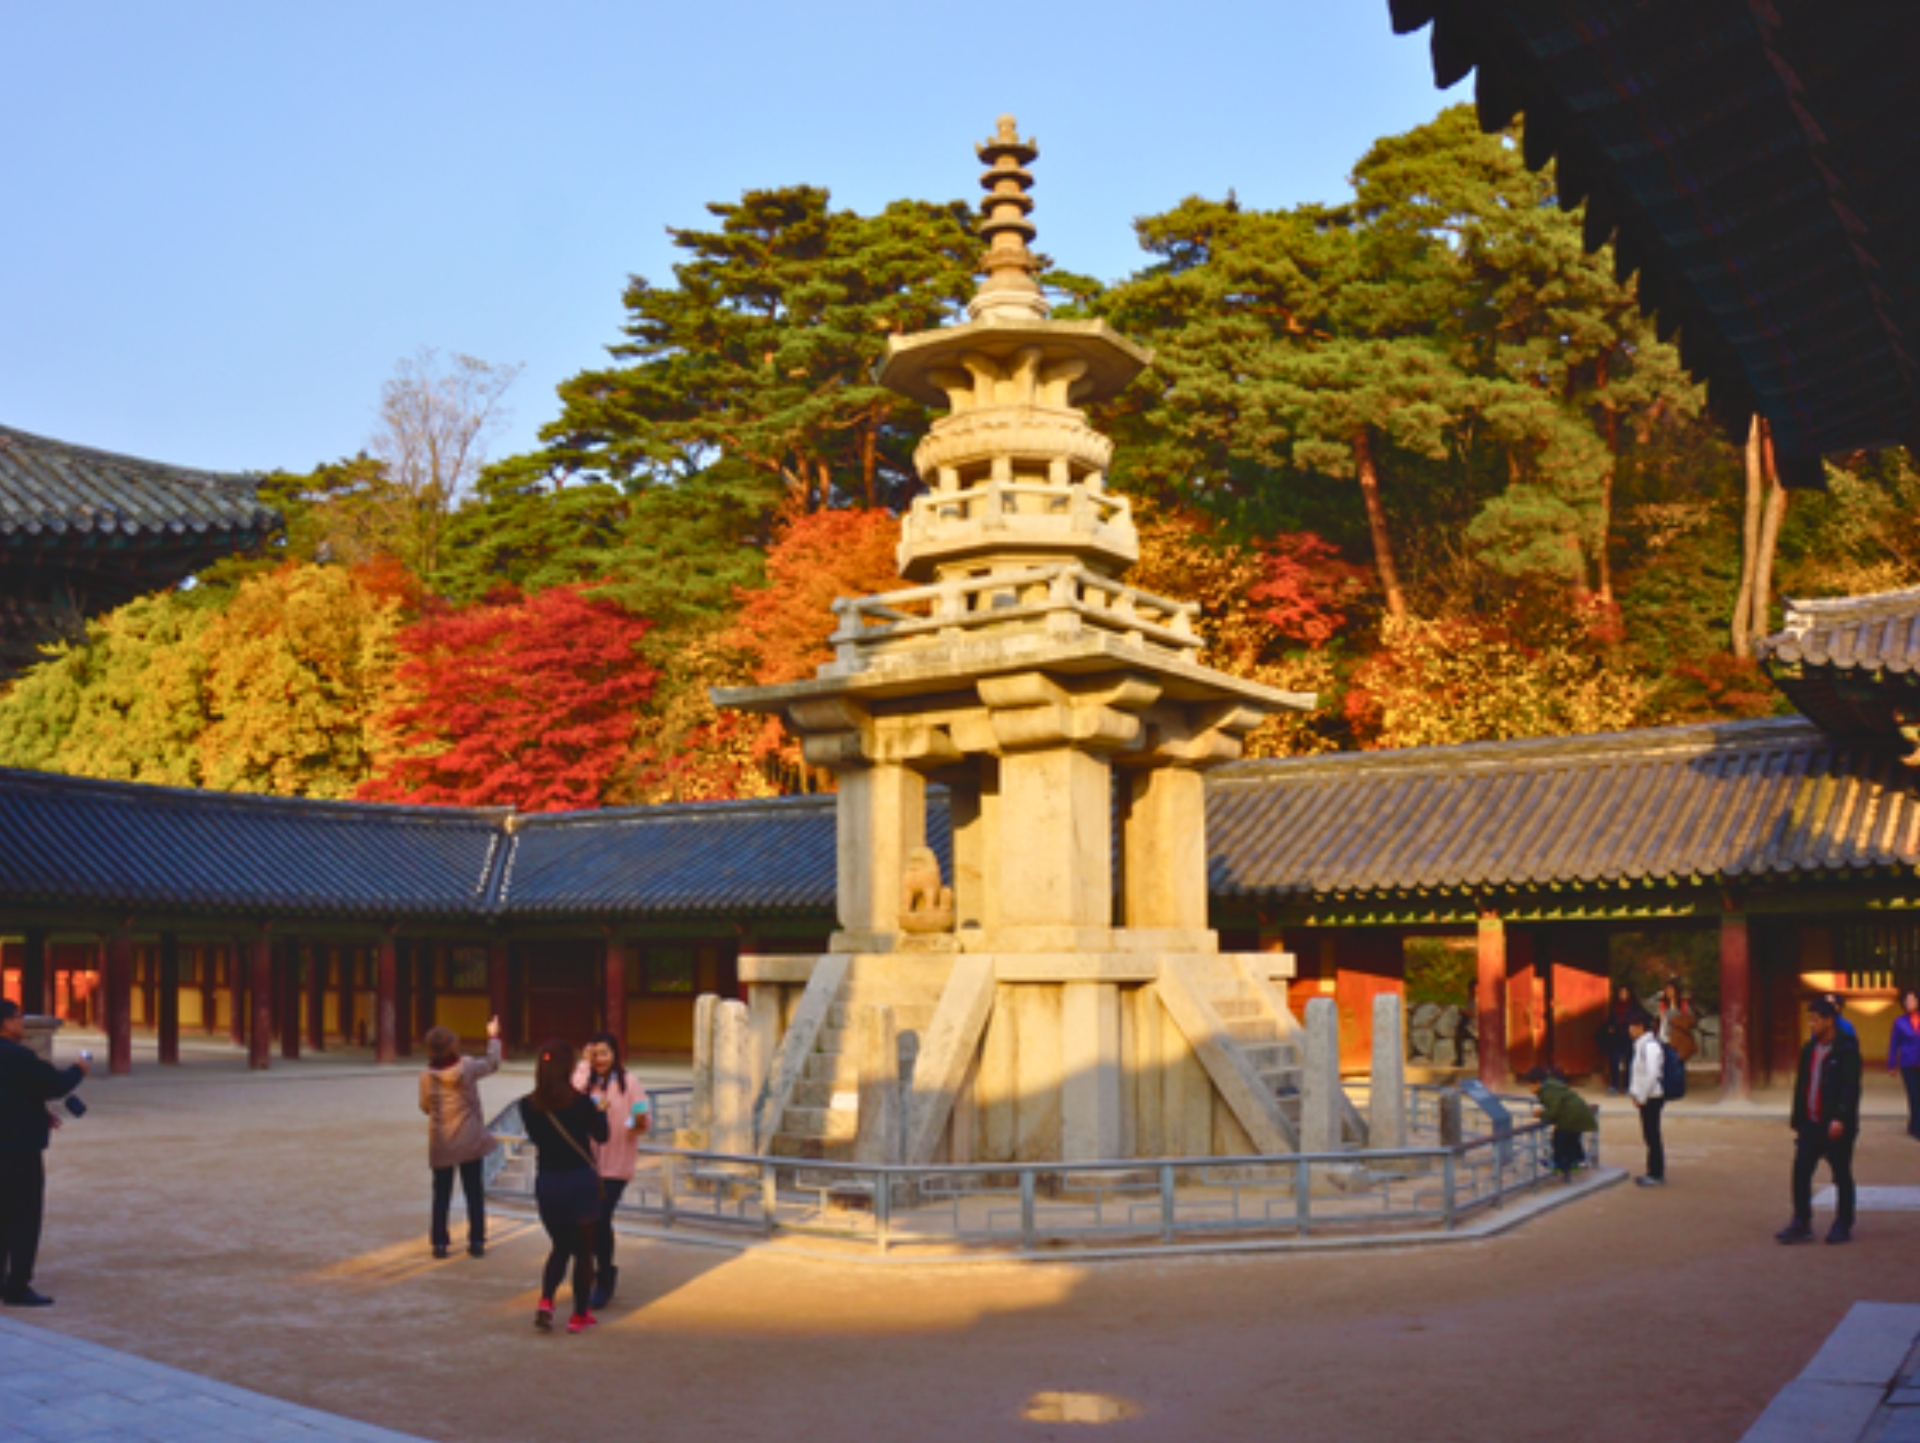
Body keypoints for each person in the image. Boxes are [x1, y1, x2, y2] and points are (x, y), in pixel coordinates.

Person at [0, 999, 88, 1307]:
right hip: (18, 1148)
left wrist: (36, 1111)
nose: (21, 1025)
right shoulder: (18, 1056)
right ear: (4, 1023)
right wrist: (80, 1069)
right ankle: (17, 1284)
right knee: (23, 1214)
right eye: (17, 1019)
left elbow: (16, 1093)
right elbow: (52, 1084)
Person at [519, 1038, 608, 1333]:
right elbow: (602, 1135)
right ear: (568, 1068)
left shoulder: (527, 1106)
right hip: (579, 1181)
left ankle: (546, 1300)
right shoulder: (581, 1103)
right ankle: (579, 1314)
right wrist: (601, 1110)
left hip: (549, 1182)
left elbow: (537, 1139)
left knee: (560, 1246)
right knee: (584, 1251)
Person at [572, 1030, 649, 1311]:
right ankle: (595, 1271)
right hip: (587, 1163)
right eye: (594, 1054)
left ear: (615, 1054)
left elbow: (644, 1120)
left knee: (600, 1217)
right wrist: (583, 1066)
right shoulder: (585, 1084)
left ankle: (604, 1277)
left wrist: (638, 1121)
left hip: (617, 1165)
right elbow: (570, 1100)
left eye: (604, 1053)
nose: (600, 1059)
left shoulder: (629, 1083)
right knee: (588, 1222)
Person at [1778, 996, 1862, 1245]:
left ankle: (1843, 1223)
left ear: (1830, 1020)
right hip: (1811, 1122)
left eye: (1815, 1019)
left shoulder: (1846, 1050)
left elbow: (1851, 1087)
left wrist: (1841, 1116)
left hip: (1835, 1124)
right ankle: (1801, 1221)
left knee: (1841, 1174)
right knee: (1801, 1171)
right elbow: (1802, 1085)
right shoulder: (1809, 1049)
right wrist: (1797, 1117)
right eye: (1810, 1019)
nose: (1811, 1024)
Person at [420, 1015, 502, 1260]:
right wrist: (493, 1036)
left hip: (441, 1140)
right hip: (469, 1138)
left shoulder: (426, 1076)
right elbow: (493, 1063)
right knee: (473, 1190)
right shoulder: (466, 1067)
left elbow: (425, 1106)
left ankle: (440, 1243)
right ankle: (476, 1240)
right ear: (453, 1046)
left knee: (441, 1194)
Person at [1521, 1066, 1597, 1180]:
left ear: (1538, 1083)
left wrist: (1540, 1114)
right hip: (1577, 1114)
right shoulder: (1553, 1086)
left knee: (1560, 1140)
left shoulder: (1548, 1092)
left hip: (1570, 1117)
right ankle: (1575, 1162)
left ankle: (1560, 1164)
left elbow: (1554, 1111)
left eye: (1530, 1085)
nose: (1529, 1088)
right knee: (1572, 1139)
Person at [1627, 1009, 1666, 1187]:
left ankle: (1656, 1173)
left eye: (1632, 1026)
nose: (1630, 1029)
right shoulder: (1641, 1044)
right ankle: (1653, 1171)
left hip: (1652, 1095)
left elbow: (1651, 1074)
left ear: (1640, 1027)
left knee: (1652, 1135)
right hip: (1646, 1095)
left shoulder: (1650, 1046)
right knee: (1649, 1135)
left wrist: (1641, 1096)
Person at [1889, 991, 1920, 1141]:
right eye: (1907, 1001)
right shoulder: (1899, 1022)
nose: (1910, 1003)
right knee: (1914, 1095)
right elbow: (1894, 1043)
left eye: (1913, 1000)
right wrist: (1892, 1063)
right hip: (1908, 1062)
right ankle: (1915, 1125)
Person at [1602, 985, 1636, 1095]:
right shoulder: (1614, 1006)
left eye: (1625, 992)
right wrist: (1611, 1027)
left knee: (1629, 1061)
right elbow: (1610, 1020)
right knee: (1614, 1060)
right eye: (1621, 993)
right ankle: (1614, 1085)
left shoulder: (1633, 1006)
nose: (1623, 995)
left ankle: (1627, 1085)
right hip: (1616, 1036)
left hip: (1628, 1036)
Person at [1659, 982, 1698, 1064]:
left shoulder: (1683, 1004)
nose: (1669, 992)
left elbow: (1691, 1020)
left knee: (1677, 1066)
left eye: (1671, 990)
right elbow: (1662, 1022)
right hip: (1666, 1039)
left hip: (1679, 1040)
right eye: (1667, 990)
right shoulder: (1663, 1005)